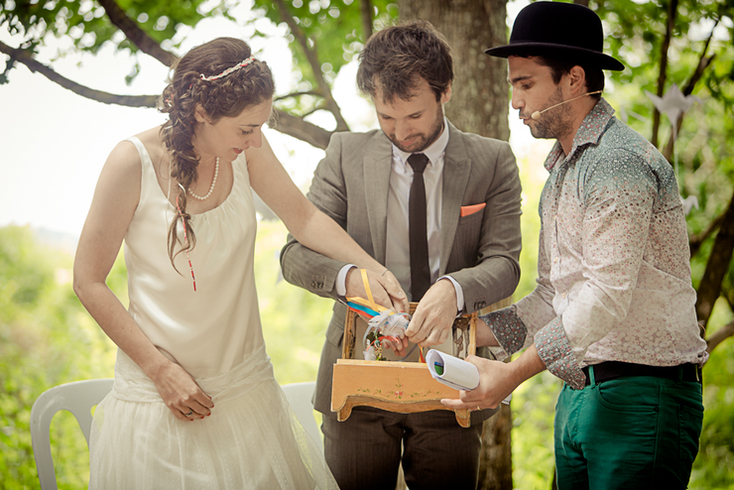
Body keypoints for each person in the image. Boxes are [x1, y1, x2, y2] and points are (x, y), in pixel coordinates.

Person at [72, 37, 406, 489]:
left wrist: (376, 271)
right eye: (246, 129)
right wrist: (160, 371)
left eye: (260, 127)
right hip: (162, 399)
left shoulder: (249, 148)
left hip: (247, 394)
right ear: (201, 113)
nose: (255, 140)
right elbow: (88, 281)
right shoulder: (131, 162)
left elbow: (304, 218)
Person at [442, 2, 709, 488]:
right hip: (578, 393)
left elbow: (604, 298)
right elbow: (551, 299)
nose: (515, 103)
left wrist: (509, 375)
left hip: (641, 395)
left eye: (526, 84)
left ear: (574, 79)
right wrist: (456, 330)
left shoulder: (618, 164)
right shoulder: (561, 173)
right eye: (513, 87)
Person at [280, 21, 522, 490]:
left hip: (453, 377)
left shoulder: (493, 161)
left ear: (445, 90)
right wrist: (347, 278)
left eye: (414, 116)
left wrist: (455, 289)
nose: (400, 131)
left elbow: (505, 265)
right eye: (385, 117)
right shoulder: (344, 154)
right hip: (356, 380)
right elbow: (294, 256)